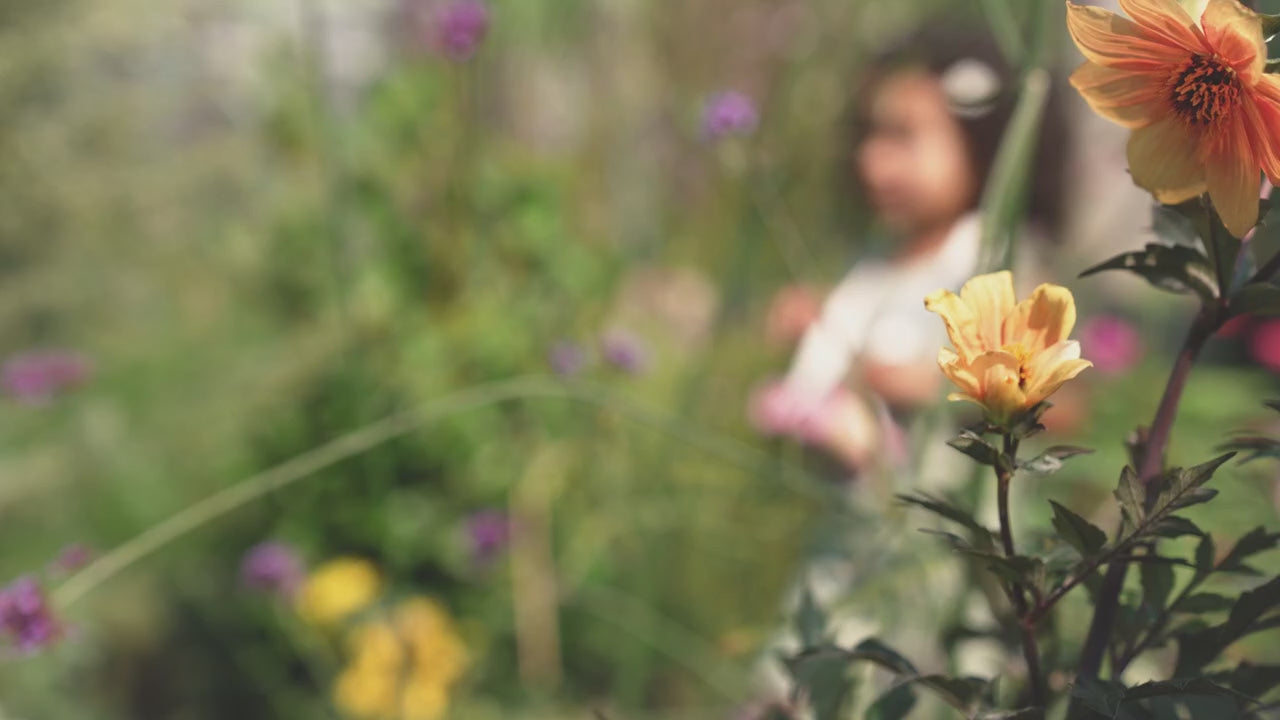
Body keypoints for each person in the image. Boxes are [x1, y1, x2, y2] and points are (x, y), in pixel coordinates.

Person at [752, 21, 1066, 477]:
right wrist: (818, 320)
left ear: (983, 144)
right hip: (856, 519)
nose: (872, 160)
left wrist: (919, 382)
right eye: (869, 135)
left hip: (944, 522)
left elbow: (1059, 401)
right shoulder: (881, 252)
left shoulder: (994, 260)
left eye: (902, 136)